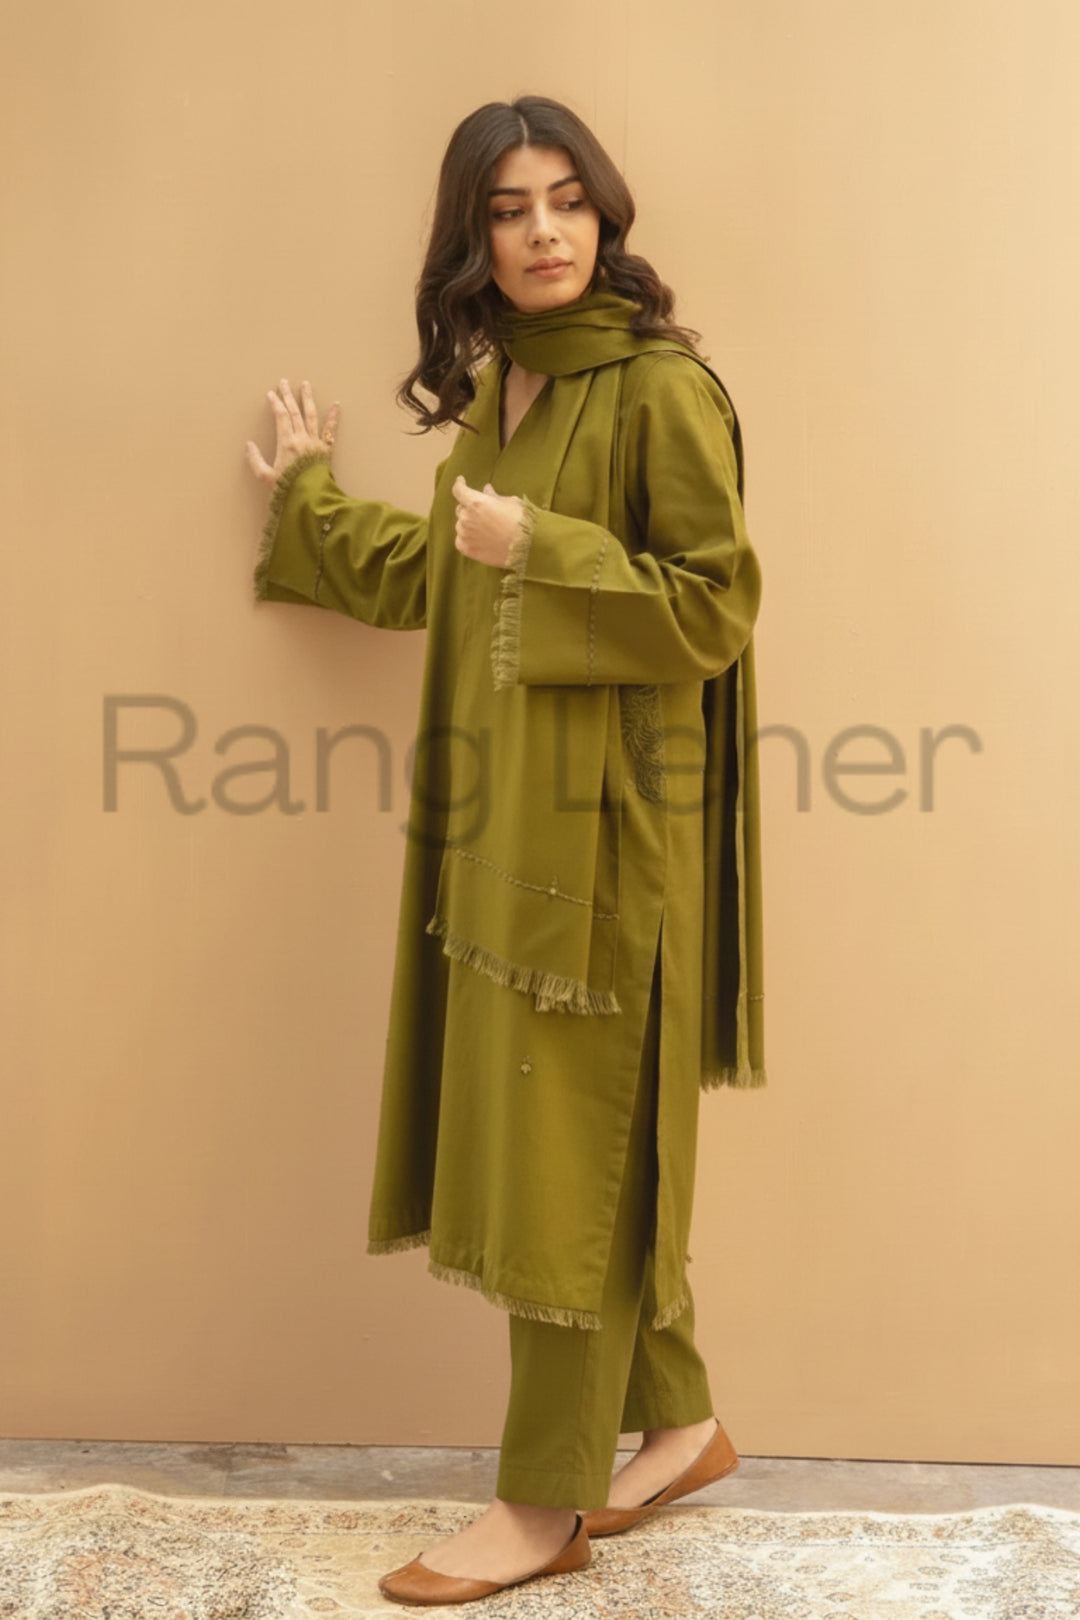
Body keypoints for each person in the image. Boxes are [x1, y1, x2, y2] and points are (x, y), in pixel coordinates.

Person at [245, 94, 766, 1608]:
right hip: (508, 828)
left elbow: (715, 606)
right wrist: (307, 504)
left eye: (567, 201)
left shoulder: (662, 390)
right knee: (581, 1142)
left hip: (611, 849)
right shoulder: (508, 386)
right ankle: (681, 1424)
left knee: (564, 1163)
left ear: (605, 213)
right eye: (509, 208)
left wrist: (542, 548)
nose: (544, 232)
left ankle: (544, 1503)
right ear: (471, 236)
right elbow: (453, 571)